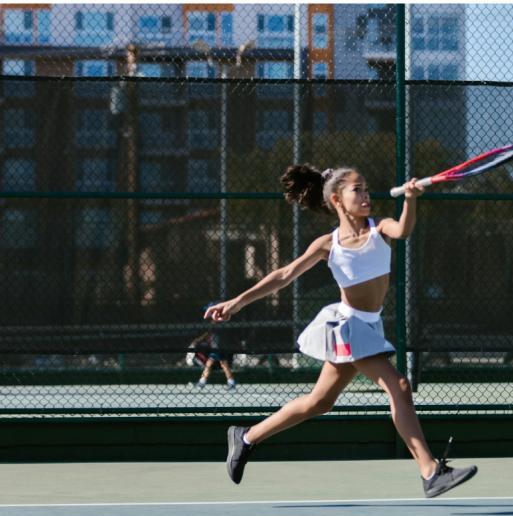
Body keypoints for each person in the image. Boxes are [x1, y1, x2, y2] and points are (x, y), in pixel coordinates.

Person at [204, 165, 477, 498]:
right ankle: (430, 470)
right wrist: (236, 302)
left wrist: (410, 199)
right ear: (337, 199)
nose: (366, 196)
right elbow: (283, 275)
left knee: (319, 402)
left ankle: (246, 437)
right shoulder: (327, 244)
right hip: (348, 325)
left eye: (366, 189)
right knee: (399, 386)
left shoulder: (380, 229)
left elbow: (404, 229)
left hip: (368, 325)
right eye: (357, 190)